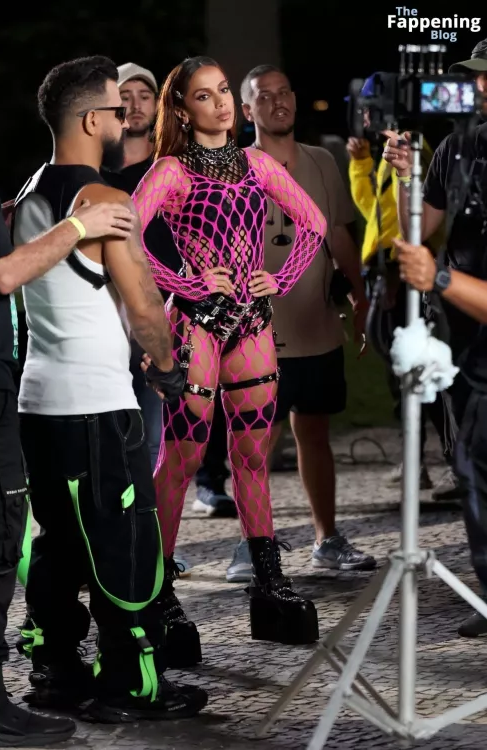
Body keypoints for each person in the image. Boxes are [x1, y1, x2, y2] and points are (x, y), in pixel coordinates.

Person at [11, 55, 207, 723]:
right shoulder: (105, 202)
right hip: (96, 408)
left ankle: (56, 673)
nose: (126, 120)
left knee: (58, 546)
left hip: (39, 405)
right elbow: (145, 304)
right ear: (92, 121)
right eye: (117, 110)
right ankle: (131, 683)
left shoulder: (30, 191)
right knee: (123, 545)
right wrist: (167, 366)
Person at [134, 55, 326, 660]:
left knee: (252, 459)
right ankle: (159, 592)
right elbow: (126, 234)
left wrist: (281, 277)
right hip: (195, 327)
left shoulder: (257, 164)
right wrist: (184, 283)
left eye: (223, 91)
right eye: (204, 95)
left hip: (252, 325)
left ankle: (268, 585)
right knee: (181, 460)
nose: (220, 103)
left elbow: (315, 223)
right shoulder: (170, 171)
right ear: (181, 108)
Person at [0, 167, 134, 745]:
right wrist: (78, 226)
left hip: (26, 389)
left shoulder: (20, 192)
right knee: (3, 538)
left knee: (40, 539)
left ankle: (48, 673)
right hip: (44, 392)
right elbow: (2, 275)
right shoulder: (88, 201)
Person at [224, 64, 376, 584]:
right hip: (257, 333)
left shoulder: (321, 161)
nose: (278, 101)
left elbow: (338, 235)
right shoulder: (233, 168)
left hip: (316, 326)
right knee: (256, 444)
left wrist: (360, 295)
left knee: (315, 433)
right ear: (248, 110)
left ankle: (326, 539)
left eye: (284, 91)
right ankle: (251, 545)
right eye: (264, 96)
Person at [383, 38, 487, 638]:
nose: (479, 88)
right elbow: (419, 229)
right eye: (476, 78)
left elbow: (432, 266)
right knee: (472, 469)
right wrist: (407, 176)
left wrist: (440, 278)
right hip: (469, 346)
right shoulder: (457, 146)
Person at [105, 63, 236, 523]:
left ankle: (203, 486)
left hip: (177, 305)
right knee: (125, 419)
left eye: (144, 94)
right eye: (125, 95)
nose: (135, 103)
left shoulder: (173, 166)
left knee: (188, 407)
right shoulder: (96, 174)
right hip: (113, 310)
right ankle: (128, 515)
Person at [346, 74, 453, 497]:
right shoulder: (391, 151)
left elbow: (409, 219)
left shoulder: (410, 145)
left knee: (420, 373)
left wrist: (393, 272)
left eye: (368, 108)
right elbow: (373, 210)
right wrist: (361, 164)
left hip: (403, 274)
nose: (363, 117)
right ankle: (424, 461)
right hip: (389, 272)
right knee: (405, 374)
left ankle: (448, 462)